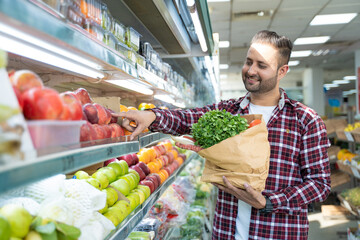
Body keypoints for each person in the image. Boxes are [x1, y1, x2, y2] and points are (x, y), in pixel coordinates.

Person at [113, 30, 331, 240]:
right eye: (249, 62)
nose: (251, 70)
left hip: (277, 232)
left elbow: (319, 185)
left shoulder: (305, 120)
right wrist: (152, 116)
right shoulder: (228, 111)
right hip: (227, 231)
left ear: (282, 71)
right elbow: (189, 118)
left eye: (262, 65)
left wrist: (269, 202)